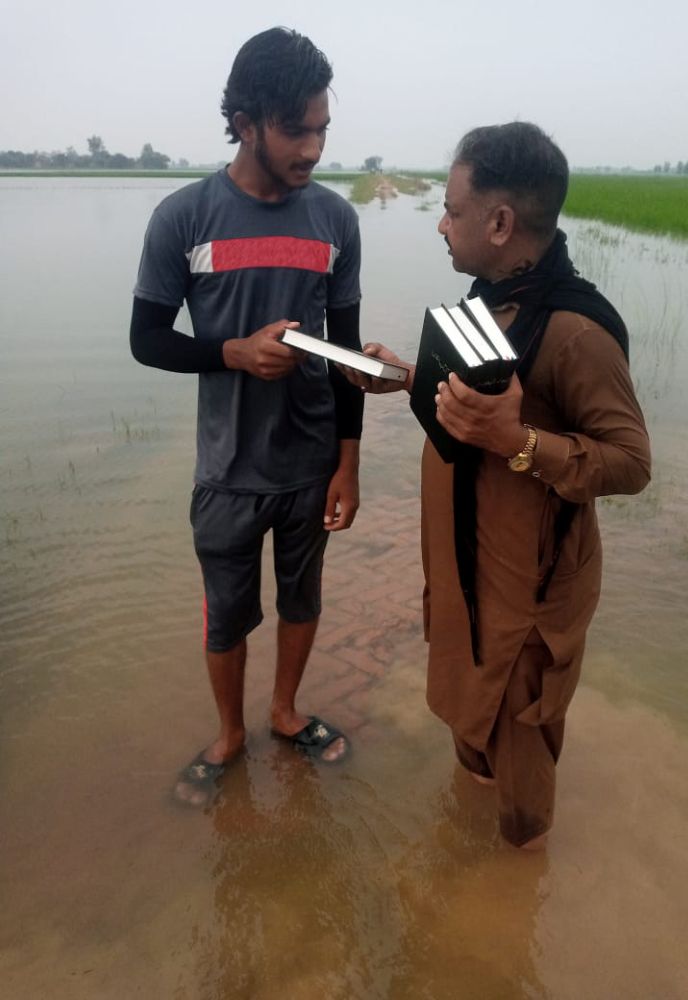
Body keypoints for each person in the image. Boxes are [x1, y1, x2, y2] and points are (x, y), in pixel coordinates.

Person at [341, 122, 651, 849]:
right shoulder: (494, 301)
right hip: (466, 569)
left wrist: (518, 442)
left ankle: (510, 912)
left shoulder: (578, 334)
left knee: (520, 758)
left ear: (501, 222)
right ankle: (470, 838)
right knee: (470, 724)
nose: (442, 225)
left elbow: (632, 463)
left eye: (451, 209)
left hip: (528, 595)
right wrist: (405, 378)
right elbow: (472, 403)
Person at [130, 27, 364, 806]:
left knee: (303, 599)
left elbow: (346, 349)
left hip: (310, 464)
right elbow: (147, 340)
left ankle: (287, 712)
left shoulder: (335, 222)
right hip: (227, 471)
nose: (314, 146)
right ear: (246, 121)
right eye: (297, 128)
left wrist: (349, 461)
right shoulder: (184, 218)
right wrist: (230, 353)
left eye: (323, 127)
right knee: (226, 612)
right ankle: (230, 733)